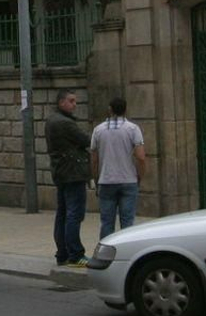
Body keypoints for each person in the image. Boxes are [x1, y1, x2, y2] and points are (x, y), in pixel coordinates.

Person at [45, 89, 91, 267]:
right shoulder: (65, 123)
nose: (75, 104)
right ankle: (75, 253)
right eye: (71, 101)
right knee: (74, 213)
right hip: (73, 173)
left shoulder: (52, 120)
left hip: (61, 172)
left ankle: (62, 253)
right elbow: (86, 140)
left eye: (75, 101)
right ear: (61, 102)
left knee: (62, 213)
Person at [90, 96, 147, 239]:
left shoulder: (98, 130)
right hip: (128, 180)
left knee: (107, 222)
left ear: (110, 110)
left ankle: (105, 253)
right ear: (125, 110)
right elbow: (141, 157)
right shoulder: (133, 129)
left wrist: (96, 180)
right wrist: (139, 176)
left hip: (106, 180)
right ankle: (126, 253)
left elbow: (94, 160)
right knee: (127, 222)